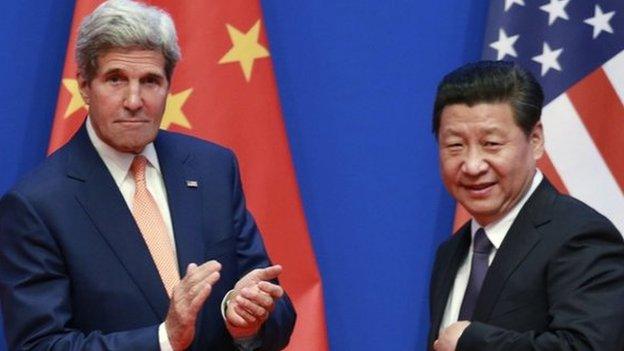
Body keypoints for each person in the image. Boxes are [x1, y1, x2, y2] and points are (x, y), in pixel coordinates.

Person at [0, 1, 295, 350]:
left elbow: (273, 306)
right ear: (84, 86)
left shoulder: (212, 168)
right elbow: (40, 345)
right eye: (115, 79)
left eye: (150, 81)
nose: (134, 100)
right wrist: (162, 339)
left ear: (168, 85)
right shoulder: (37, 205)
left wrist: (245, 320)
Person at [427, 60, 624, 351]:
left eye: (491, 143)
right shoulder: (451, 252)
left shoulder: (580, 236)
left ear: (535, 141)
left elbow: (589, 347)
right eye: (455, 145)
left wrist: (473, 343)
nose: (472, 165)